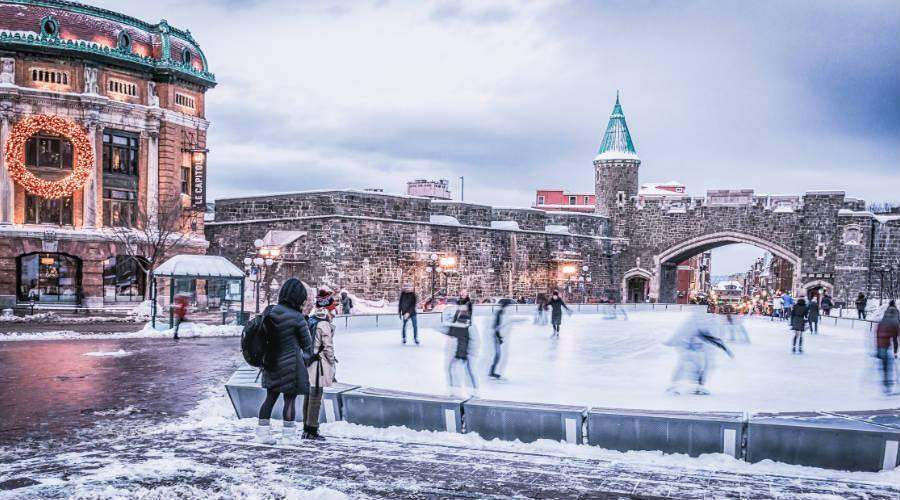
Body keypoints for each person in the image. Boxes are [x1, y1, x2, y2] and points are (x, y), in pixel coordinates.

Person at [256, 278, 314, 444]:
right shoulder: (298, 318)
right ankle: (288, 437)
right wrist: (304, 361)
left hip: (271, 363)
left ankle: (262, 434)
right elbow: (308, 348)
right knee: (290, 401)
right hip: (291, 367)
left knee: (269, 399)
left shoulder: (270, 311)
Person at [666, 311, 733, 395]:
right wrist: (672, 341)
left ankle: (697, 385)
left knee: (699, 364)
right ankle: (674, 386)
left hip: (697, 345)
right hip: (688, 344)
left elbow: (715, 340)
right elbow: (683, 331)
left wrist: (723, 347)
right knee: (686, 363)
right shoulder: (703, 320)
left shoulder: (713, 322)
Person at [305, 291, 338, 440]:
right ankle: (312, 430)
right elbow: (328, 348)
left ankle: (306, 428)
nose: (334, 310)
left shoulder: (312, 319)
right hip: (319, 365)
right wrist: (332, 362)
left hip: (309, 362)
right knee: (316, 397)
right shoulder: (324, 323)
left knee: (309, 395)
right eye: (333, 307)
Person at [443, 306, 478, 396]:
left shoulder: (467, 326)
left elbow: (471, 340)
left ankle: (468, 393)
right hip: (459, 353)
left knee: (461, 373)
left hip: (461, 354)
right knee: (457, 372)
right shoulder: (458, 325)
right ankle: (457, 392)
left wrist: (468, 353)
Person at [489, 299, 524, 380]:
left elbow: (502, 324)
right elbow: (496, 326)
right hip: (498, 336)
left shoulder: (501, 312)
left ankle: (493, 372)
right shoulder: (500, 313)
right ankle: (494, 372)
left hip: (498, 336)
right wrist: (499, 337)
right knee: (499, 355)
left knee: (498, 355)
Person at [875, 300, 899, 395]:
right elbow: (896, 338)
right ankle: (888, 385)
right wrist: (895, 351)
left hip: (881, 342)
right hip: (888, 342)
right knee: (889, 365)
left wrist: (877, 348)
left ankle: (886, 385)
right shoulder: (896, 315)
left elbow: (878, 330)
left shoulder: (885, 314)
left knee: (885, 366)